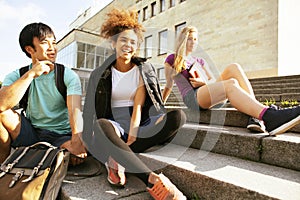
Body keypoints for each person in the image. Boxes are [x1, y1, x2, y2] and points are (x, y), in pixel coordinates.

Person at [82, 8, 187, 199]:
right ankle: (151, 179)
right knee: (101, 125)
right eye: (123, 40)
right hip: (112, 124)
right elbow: (89, 111)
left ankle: (117, 156)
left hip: (139, 122)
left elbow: (141, 105)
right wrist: (85, 142)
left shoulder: (143, 68)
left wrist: (135, 130)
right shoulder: (99, 73)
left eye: (133, 42)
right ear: (113, 43)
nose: (128, 45)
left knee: (178, 116)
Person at [162, 26, 300, 135]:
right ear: (183, 40)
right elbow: (168, 85)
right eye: (189, 39)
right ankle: (268, 116)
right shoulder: (172, 59)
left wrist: (203, 83)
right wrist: (160, 105)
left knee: (234, 67)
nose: (193, 42)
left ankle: (257, 117)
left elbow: (211, 80)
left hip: (208, 92)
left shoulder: (200, 61)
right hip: (193, 97)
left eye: (195, 39)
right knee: (231, 84)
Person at [0, 22, 87, 165]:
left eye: (54, 42)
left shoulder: (67, 75)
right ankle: (3, 167)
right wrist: (31, 74)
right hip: (32, 132)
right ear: (29, 49)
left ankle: (47, 154)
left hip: (60, 135)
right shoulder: (18, 75)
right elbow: (2, 104)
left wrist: (76, 142)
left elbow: (74, 111)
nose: (52, 48)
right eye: (45, 43)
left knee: (75, 158)